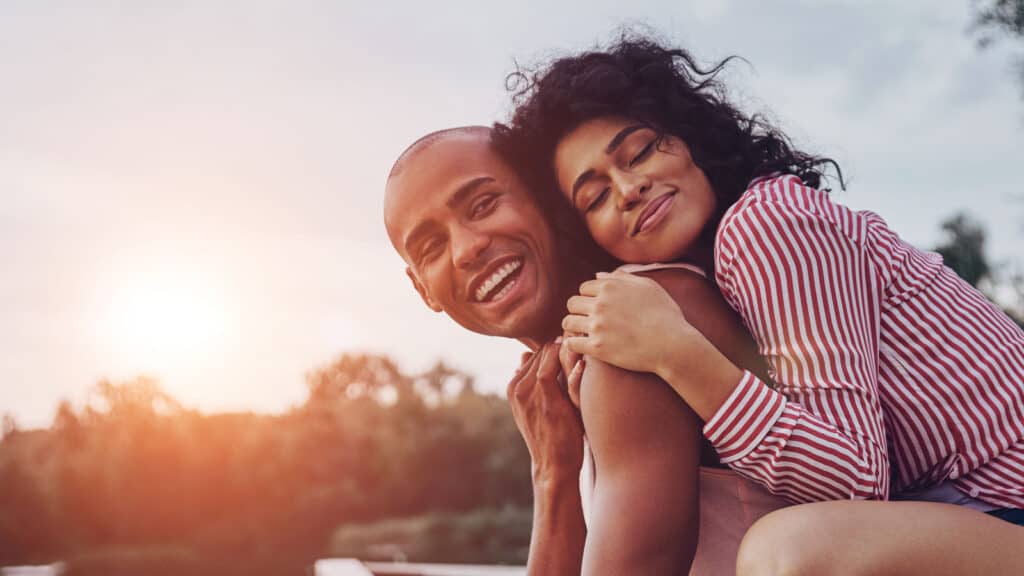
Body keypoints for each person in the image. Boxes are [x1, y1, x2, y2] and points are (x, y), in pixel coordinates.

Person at [494, 35, 1024, 574]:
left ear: (688, 140)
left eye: (641, 151)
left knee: (785, 550)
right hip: (975, 517)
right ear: (589, 237)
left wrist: (676, 353)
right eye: (596, 197)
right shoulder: (708, 281)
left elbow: (859, 483)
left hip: (1008, 501)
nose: (628, 187)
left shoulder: (765, 223)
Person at [383, 126, 790, 575]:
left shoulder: (632, 333)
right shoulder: (578, 363)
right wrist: (554, 472)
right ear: (425, 292)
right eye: (432, 247)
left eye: (483, 205)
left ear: (549, 196)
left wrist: (552, 481)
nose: (466, 249)